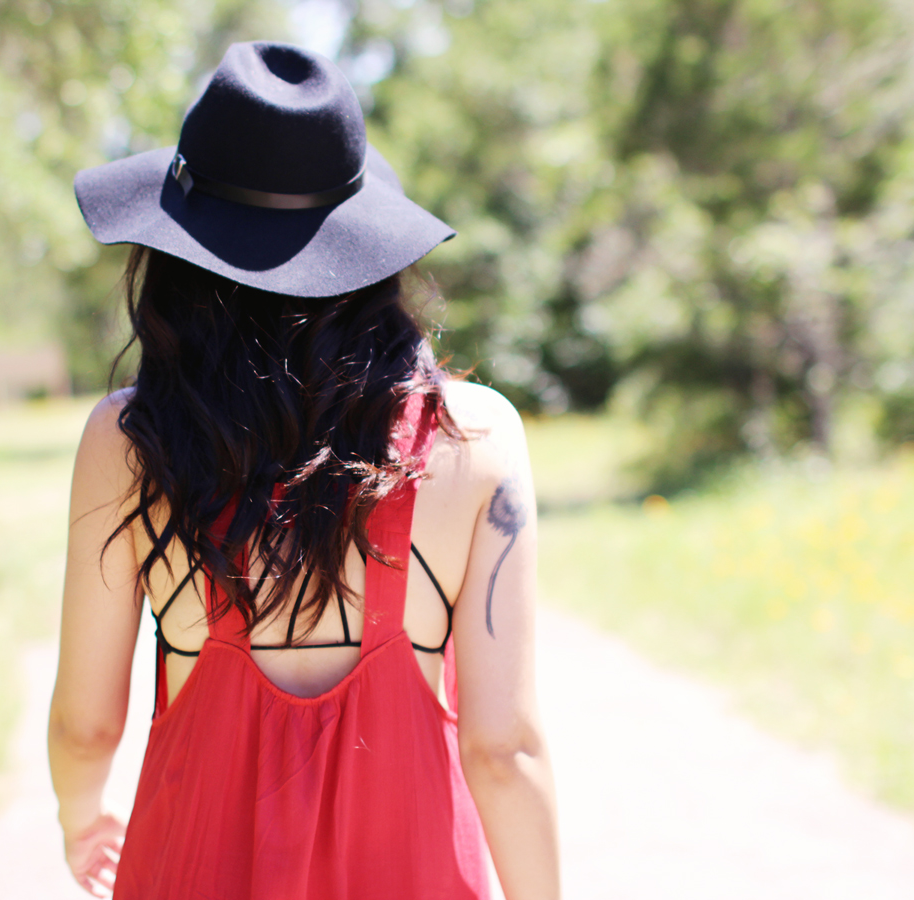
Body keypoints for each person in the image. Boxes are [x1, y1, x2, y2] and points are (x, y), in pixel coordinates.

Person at [49, 41, 559, 900]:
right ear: (364, 246)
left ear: (175, 252)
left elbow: (88, 721)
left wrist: (79, 814)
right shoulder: (477, 438)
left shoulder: (129, 439)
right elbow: (502, 749)